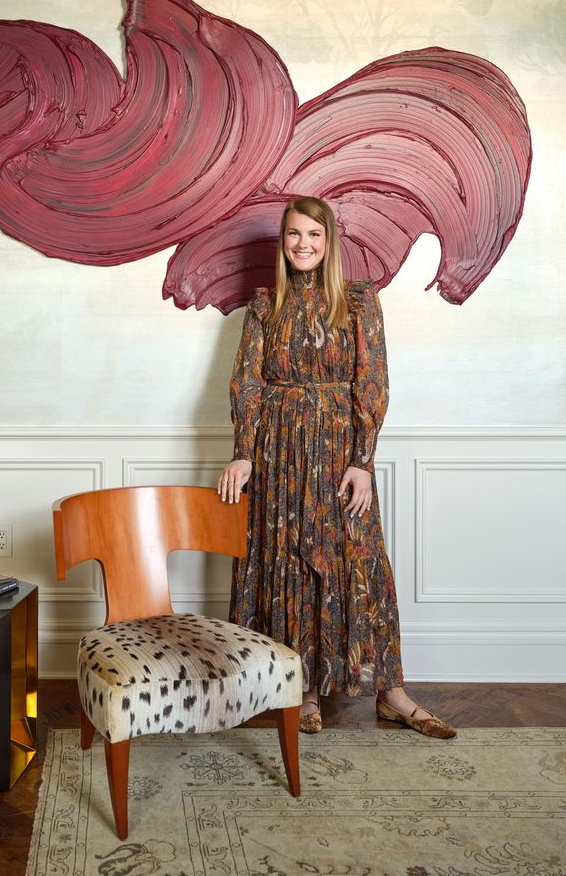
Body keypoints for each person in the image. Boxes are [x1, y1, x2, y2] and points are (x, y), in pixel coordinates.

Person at [218, 196, 455, 738]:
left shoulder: (358, 302)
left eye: (314, 235)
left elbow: (373, 381)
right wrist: (244, 452)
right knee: (291, 563)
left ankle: (391, 693)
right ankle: (301, 689)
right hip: (279, 454)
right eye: (294, 234)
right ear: (283, 241)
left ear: (329, 243)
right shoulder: (265, 306)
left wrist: (363, 461)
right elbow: (247, 383)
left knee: (362, 564)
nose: (303, 244)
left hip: (340, 455)